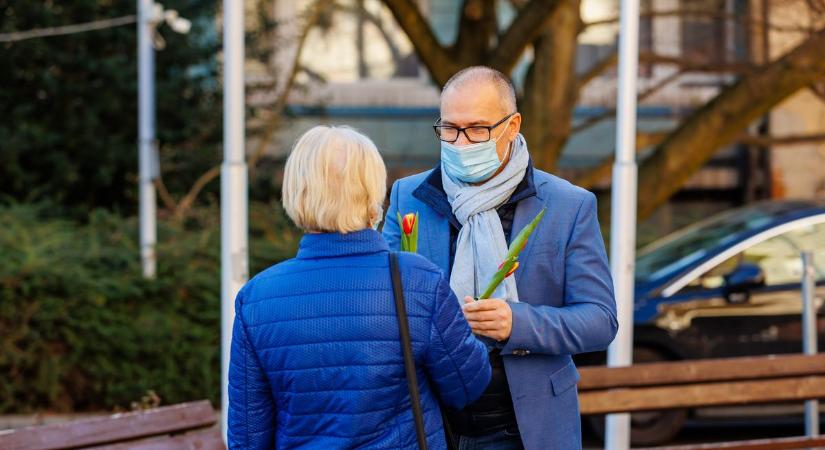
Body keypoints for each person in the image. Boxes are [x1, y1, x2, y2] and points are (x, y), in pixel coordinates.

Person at [383, 67, 618, 450]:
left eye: (477, 129)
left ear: (513, 126)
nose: (460, 143)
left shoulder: (568, 205)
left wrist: (517, 322)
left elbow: (600, 320)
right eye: (449, 128)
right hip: (430, 425)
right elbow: (384, 300)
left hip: (524, 428)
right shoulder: (408, 197)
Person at [227, 125, 491, 449]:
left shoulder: (256, 299)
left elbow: (247, 436)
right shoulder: (417, 281)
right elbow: (467, 387)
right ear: (372, 192)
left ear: (296, 191)